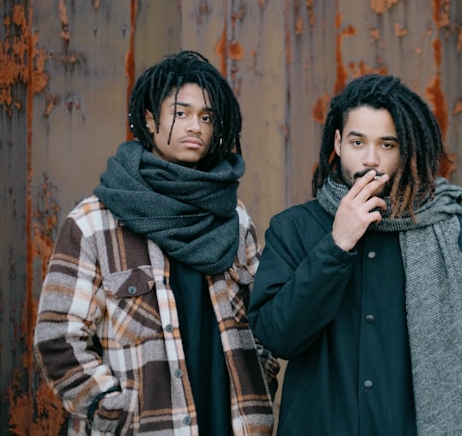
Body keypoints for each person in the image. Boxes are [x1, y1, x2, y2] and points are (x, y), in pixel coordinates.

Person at [34, 50, 279, 435]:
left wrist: (258, 383)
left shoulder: (234, 218)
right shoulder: (95, 222)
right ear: (150, 120)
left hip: (231, 423)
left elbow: (262, 321)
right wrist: (112, 410)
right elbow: (58, 338)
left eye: (206, 117)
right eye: (180, 113)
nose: (194, 126)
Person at [248, 73, 462, 436]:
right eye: (357, 141)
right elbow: (277, 335)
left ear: (406, 149)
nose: (371, 159)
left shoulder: (449, 231)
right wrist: (337, 245)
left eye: (387, 145)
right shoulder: (294, 229)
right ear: (337, 142)